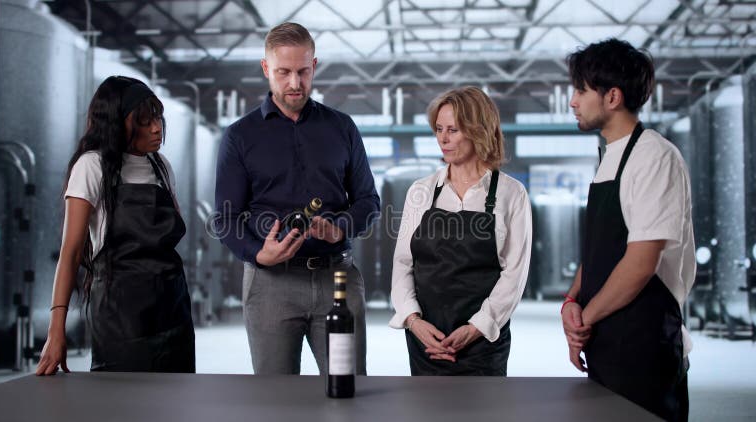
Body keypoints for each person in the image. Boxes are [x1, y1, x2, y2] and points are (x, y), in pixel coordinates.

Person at [213, 22, 379, 375]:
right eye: (283, 72)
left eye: (303, 71)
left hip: (337, 278)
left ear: (314, 66)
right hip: (270, 284)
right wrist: (259, 253)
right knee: (275, 396)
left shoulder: (342, 128)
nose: (295, 83)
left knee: (347, 387)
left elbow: (368, 200)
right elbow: (226, 218)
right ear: (265, 68)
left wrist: (339, 228)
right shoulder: (239, 136)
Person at [561, 38, 695, 421]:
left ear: (612, 97)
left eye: (581, 90)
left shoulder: (654, 156)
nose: (572, 101)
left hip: (645, 348)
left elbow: (639, 264)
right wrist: (571, 302)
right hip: (605, 341)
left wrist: (584, 321)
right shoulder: (609, 158)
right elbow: (602, 251)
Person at [36, 76, 195, 374]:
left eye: (157, 118)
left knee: (177, 397)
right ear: (116, 123)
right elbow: (70, 254)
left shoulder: (161, 166)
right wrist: (56, 331)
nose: (157, 128)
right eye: (145, 121)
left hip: (174, 311)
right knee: (120, 398)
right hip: (120, 317)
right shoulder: (92, 166)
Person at [389, 86, 532, 376]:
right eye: (439, 129)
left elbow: (514, 276)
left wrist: (476, 327)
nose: (442, 139)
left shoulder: (511, 193)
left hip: (482, 344)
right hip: (426, 342)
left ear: (479, 131)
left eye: (453, 130)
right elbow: (403, 263)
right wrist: (414, 321)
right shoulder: (421, 191)